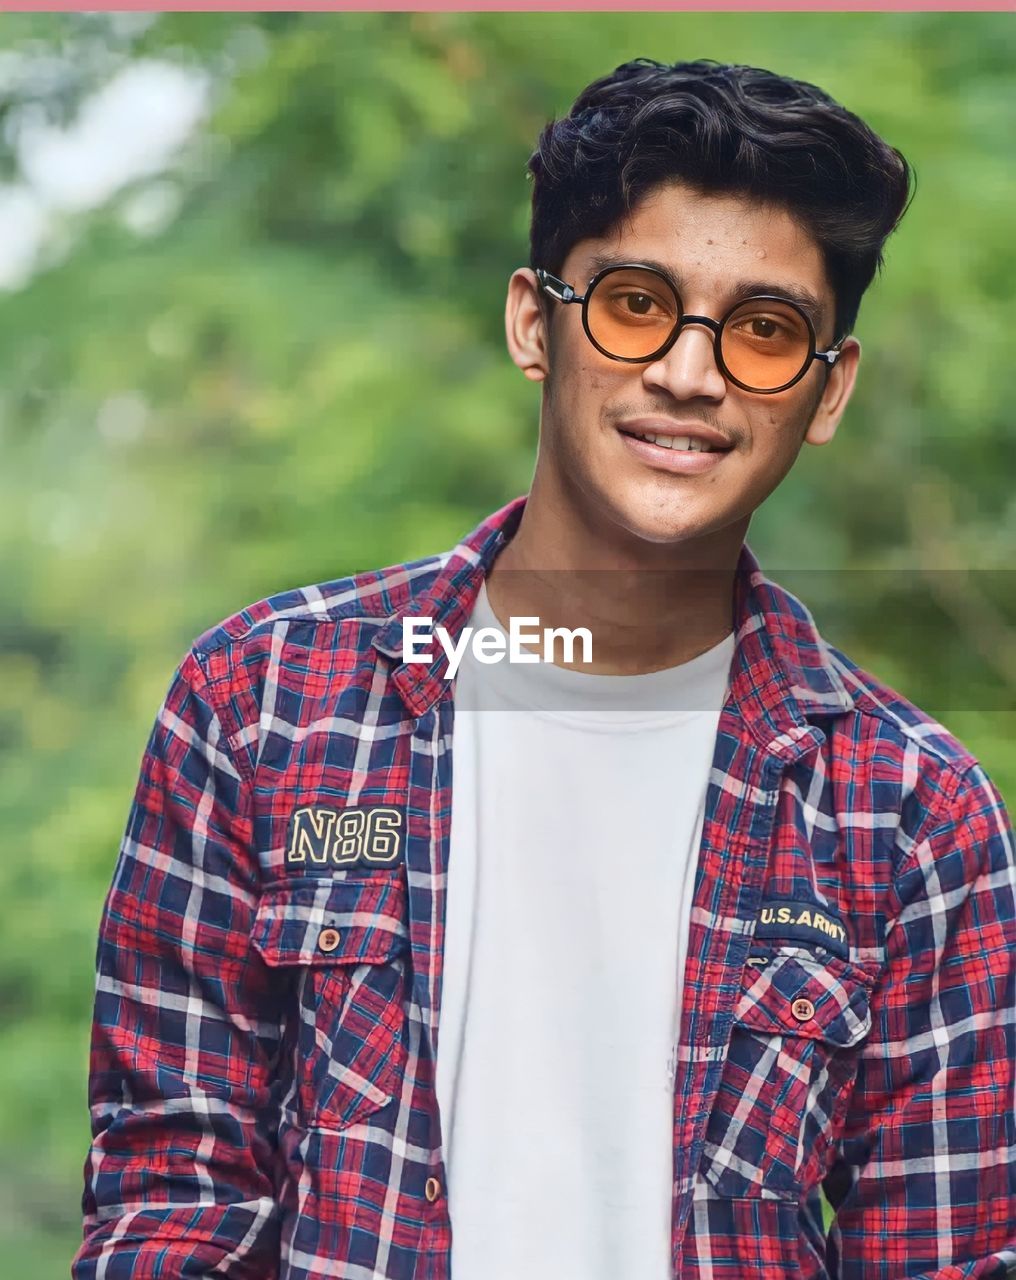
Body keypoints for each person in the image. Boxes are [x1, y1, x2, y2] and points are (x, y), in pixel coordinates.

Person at [73, 59, 1015, 1280]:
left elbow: (935, 1257)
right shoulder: (264, 704)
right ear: (535, 321)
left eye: (764, 330)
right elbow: (172, 1200)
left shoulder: (908, 811)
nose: (688, 372)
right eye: (634, 304)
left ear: (825, 392)